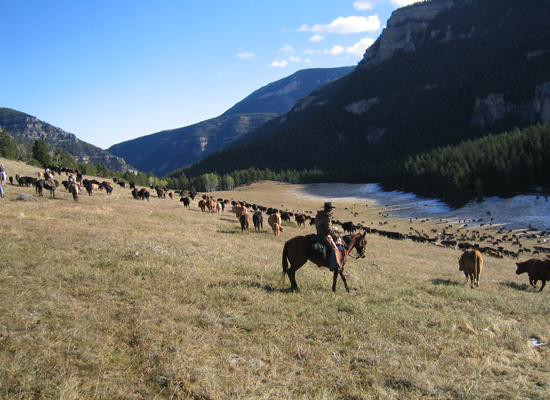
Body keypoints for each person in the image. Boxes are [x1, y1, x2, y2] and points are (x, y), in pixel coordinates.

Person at [315, 202, 344, 272]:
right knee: (334, 248)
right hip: (324, 235)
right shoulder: (326, 217)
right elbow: (328, 230)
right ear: (330, 209)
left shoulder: (318, 215)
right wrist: (335, 229)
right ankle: (333, 266)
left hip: (318, 233)